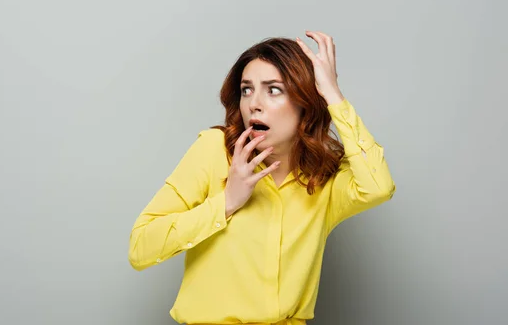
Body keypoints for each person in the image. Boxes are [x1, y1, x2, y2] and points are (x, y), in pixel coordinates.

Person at [128, 31, 396, 325]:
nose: (254, 103)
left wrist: (333, 95)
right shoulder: (214, 150)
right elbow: (141, 247)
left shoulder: (324, 177)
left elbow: (378, 187)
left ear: (307, 101)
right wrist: (226, 203)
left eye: (273, 90)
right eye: (246, 90)